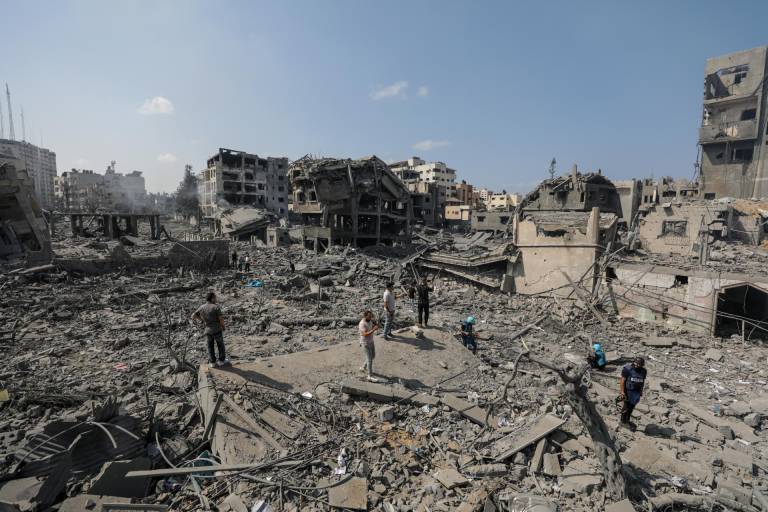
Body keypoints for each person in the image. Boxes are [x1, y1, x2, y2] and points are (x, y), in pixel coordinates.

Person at [191, 291, 228, 367]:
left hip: (207, 330)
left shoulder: (202, 307)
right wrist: (223, 327)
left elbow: (193, 315)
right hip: (217, 329)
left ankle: (212, 362)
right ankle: (221, 361)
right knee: (220, 345)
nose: (216, 299)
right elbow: (221, 319)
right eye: (215, 297)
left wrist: (202, 320)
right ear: (212, 298)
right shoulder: (215, 307)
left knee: (210, 346)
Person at [619, 356, 647, 429]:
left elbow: (642, 381)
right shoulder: (627, 369)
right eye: (636, 363)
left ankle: (627, 420)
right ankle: (622, 422)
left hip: (636, 392)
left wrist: (641, 391)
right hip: (628, 391)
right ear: (633, 362)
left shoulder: (643, 371)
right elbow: (622, 381)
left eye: (639, 364)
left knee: (631, 407)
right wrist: (622, 392)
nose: (637, 365)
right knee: (626, 407)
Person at [358, 310, 380, 382]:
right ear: (365, 316)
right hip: (365, 343)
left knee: (372, 356)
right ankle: (369, 376)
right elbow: (365, 334)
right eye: (369, 316)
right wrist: (374, 329)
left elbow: (371, 326)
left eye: (371, 316)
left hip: (371, 341)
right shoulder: (362, 324)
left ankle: (363, 367)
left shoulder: (369, 321)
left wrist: (375, 326)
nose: (371, 318)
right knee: (369, 359)